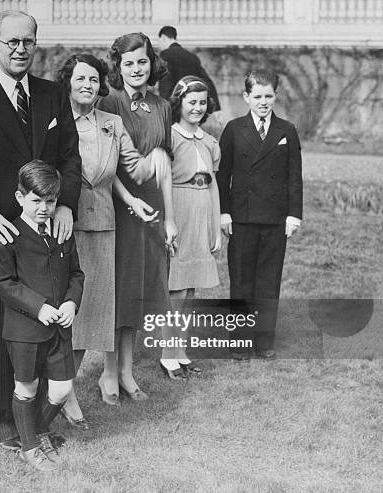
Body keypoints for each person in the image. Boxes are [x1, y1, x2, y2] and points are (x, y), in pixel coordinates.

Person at [0, 10, 81, 450]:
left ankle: (36, 423)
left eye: (28, 41)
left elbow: (69, 156)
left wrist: (64, 205)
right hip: (0, 230)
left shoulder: (51, 93)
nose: (20, 49)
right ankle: (2, 426)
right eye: (11, 42)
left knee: (47, 327)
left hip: (46, 229)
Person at [55, 54, 167, 422]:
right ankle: (63, 391)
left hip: (104, 225)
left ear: (101, 84)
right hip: (62, 226)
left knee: (95, 312)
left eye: (93, 79)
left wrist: (154, 168)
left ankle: (70, 388)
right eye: (80, 78)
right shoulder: (54, 121)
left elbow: (126, 166)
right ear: (68, 82)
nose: (86, 85)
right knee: (68, 311)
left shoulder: (112, 122)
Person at [98, 32, 178, 401]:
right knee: (119, 289)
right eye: (128, 63)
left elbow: (165, 168)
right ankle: (109, 373)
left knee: (142, 290)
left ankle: (129, 372)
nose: (136, 69)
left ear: (152, 63)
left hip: (153, 208)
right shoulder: (108, 102)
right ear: (118, 66)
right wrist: (128, 200)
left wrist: (171, 219)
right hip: (119, 204)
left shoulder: (162, 106)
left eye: (142, 61)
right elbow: (106, 165)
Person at [0, 160, 84, 471]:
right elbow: (3, 283)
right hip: (25, 331)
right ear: (20, 199)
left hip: (60, 328)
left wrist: (71, 303)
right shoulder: (9, 234)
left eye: (51, 200)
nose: (44, 208)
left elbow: (76, 274)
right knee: (27, 388)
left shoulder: (61, 232)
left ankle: (35, 430)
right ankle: (30, 448)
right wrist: (38, 306)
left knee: (61, 389)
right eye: (36, 201)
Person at [216, 68, 303, 360]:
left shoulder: (286, 130)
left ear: (275, 96)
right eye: (257, 96)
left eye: (268, 96)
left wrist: (293, 215)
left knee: (268, 280)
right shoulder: (233, 128)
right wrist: (224, 212)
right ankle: (239, 342)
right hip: (241, 218)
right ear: (246, 97)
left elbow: (294, 177)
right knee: (242, 280)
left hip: (275, 219)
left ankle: (264, 341)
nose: (263, 102)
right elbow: (222, 174)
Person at [163, 76, 222, 378]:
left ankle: (180, 350)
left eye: (202, 103)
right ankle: (167, 353)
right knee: (176, 285)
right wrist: (168, 221)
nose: (197, 108)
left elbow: (212, 187)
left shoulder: (210, 141)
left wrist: (215, 226)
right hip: (179, 209)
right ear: (179, 103)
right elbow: (162, 183)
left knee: (191, 287)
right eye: (191, 102)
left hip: (202, 212)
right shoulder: (170, 137)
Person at [157, 26, 221, 110]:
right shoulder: (191, 57)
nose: (160, 45)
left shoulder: (166, 55)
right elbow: (207, 82)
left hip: (174, 108)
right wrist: (216, 108)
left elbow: (165, 84)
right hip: (191, 106)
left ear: (163, 38)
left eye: (160, 41)